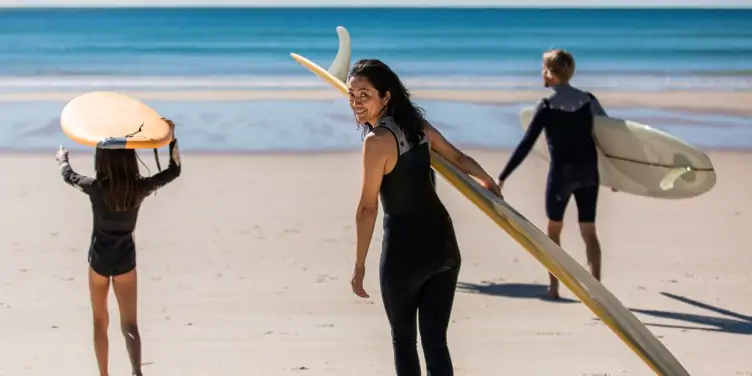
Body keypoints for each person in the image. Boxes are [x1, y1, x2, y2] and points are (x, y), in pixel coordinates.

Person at [347, 58, 500, 376]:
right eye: (351, 95)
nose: (356, 102)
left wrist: (359, 265)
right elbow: (458, 157)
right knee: (435, 340)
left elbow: (367, 208)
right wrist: (489, 183)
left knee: (403, 341)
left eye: (364, 94)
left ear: (385, 97)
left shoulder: (376, 142)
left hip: (406, 249)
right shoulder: (418, 127)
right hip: (443, 244)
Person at [55, 119, 182, 376]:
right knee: (130, 325)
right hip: (126, 260)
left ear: (101, 160)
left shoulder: (95, 187)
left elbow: (68, 176)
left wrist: (62, 158)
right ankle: (137, 372)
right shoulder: (140, 187)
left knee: (100, 322)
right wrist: (171, 139)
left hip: (99, 260)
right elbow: (174, 171)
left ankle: (104, 374)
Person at [496, 49, 608, 300]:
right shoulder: (589, 100)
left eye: (543, 68)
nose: (541, 72)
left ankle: (555, 288)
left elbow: (526, 144)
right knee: (589, 231)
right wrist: (619, 176)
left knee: (554, 232)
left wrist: (503, 176)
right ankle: (598, 293)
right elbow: (608, 138)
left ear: (551, 73)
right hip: (589, 173)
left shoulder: (546, 105)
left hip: (562, 176)